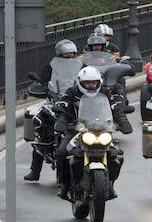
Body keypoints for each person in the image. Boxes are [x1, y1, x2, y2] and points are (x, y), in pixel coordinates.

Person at [53, 66, 131, 199]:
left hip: (102, 129)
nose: (91, 85)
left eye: (93, 82)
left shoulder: (106, 92)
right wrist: (62, 120)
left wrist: (123, 121)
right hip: (77, 129)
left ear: (98, 82)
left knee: (117, 154)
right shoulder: (72, 92)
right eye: (87, 83)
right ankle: (64, 184)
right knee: (61, 152)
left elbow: (116, 107)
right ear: (80, 83)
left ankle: (110, 183)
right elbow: (64, 106)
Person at [24, 39, 80, 182]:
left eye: (72, 54)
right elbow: (41, 81)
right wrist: (40, 87)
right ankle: (35, 171)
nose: (69, 57)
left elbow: (90, 79)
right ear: (60, 55)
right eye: (66, 54)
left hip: (74, 103)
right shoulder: (50, 67)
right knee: (41, 127)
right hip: (54, 101)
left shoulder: (82, 67)